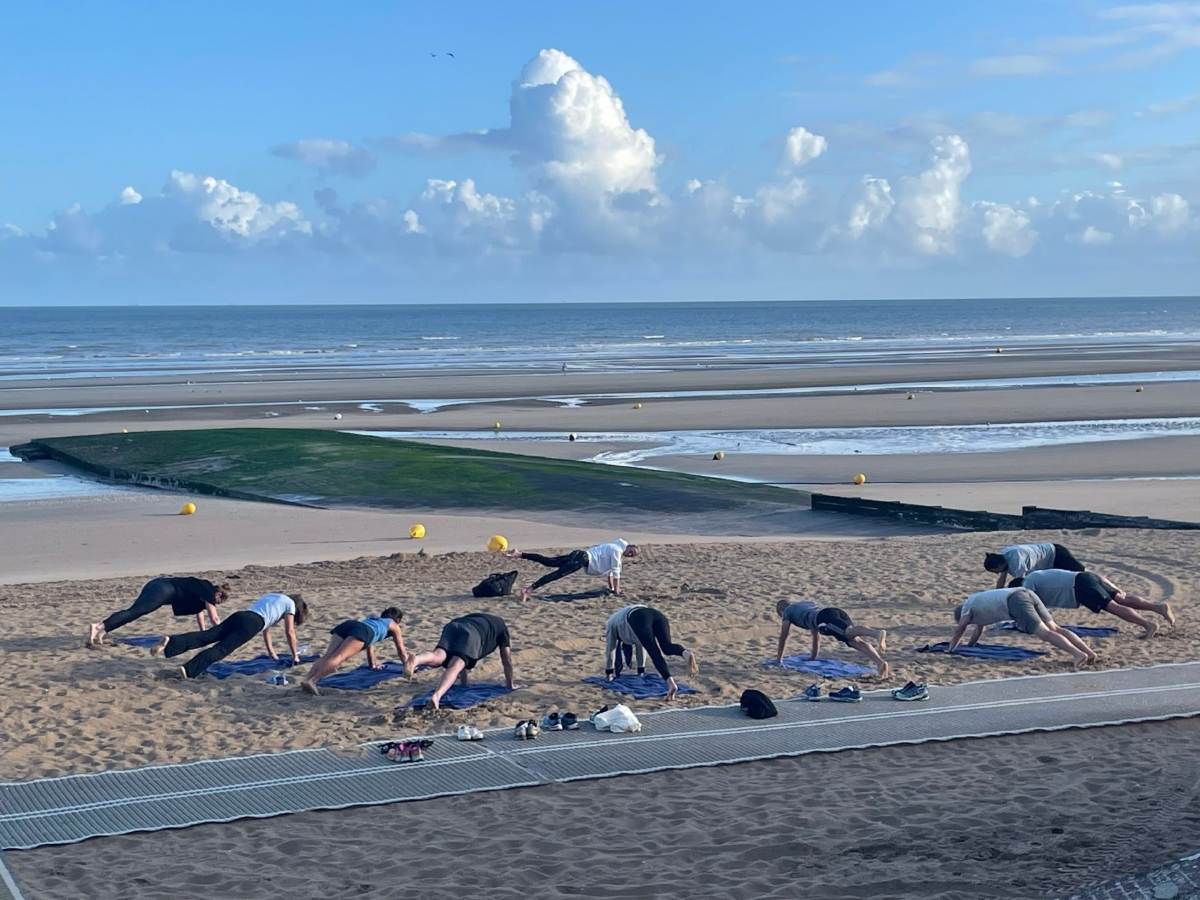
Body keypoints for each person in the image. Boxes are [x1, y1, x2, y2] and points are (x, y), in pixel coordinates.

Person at [152, 592, 309, 680]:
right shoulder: (290, 605)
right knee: (221, 649)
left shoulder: (274, 597)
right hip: (253, 624)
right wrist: (295, 656)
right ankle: (188, 669)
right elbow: (289, 632)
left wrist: (271, 653)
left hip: (242, 615)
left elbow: (266, 630)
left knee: (207, 635)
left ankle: (171, 641)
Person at [949, 587, 1095, 665]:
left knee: (1044, 633)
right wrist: (970, 645)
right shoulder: (978, 605)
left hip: (1015, 601)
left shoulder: (967, 607)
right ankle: (1089, 653)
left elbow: (960, 629)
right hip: (1025, 592)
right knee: (1055, 628)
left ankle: (1078, 654)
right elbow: (978, 629)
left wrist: (951, 649)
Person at [1011, 570, 1173, 638]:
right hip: (1085, 577)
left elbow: (1030, 605)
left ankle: (1148, 625)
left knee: (1114, 608)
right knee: (1122, 599)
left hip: (1079, 586)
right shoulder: (1036, 575)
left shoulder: (1027, 584)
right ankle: (1158, 607)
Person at [404, 612, 515, 710]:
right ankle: (437, 696)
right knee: (456, 665)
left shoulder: (480, 617)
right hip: (473, 632)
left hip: (455, 624)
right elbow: (507, 659)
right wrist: (510, 685)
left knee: (438, 655)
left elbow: (461, 651)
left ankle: (417, 659)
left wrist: (464, 683)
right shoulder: (502, 629)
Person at [88, 576, 230, 647]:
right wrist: (223, 635)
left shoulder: (202, 590)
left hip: (157, 584)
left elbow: (200, 614)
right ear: (218, 595)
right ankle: (99, 626)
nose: (215, 604)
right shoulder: (209, 592)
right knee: (134, 612)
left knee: (133, 612)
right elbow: (215, 619)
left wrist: (203, 633)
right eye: (217, 602)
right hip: (164, 590)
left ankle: (102, 632)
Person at [301, 607, 407, 696]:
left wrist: (372, 664)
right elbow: (401, 650)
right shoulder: (394, 625)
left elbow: (370, 645)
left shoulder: (375, 619)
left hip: (349, 624)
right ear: (398, 619)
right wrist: (407, 665)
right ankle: (313, 681)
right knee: (339, 657)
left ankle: (307, 678)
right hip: (363, 631)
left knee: (328, 656)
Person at [602, 605, 699, 701]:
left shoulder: (611, 623)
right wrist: (641, 671)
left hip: (637, 617)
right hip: (656, 614)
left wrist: (609, 673)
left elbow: (611, 648)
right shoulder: (623, 623)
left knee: (654, 652)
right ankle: (686, 654)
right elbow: (640, 645)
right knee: (667, 647)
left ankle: (671, 684)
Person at [774, 599, 890, 678]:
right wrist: (813, 657)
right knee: (854, 641)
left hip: (824, 618)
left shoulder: (788, 612)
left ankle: (876, 633)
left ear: (781, 611)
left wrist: (779, 659)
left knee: (848, 632)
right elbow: (816, 637)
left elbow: (783, 637)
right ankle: (880, 663)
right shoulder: (803, 606)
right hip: (833, 611)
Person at [508, 539, 639, 600]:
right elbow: (616, 573)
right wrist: (616, 590)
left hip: (579, 554)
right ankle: (528, 590)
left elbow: (611, 573)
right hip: (582, 559)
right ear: (628, 547)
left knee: (549, 561)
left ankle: (519, 554)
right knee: (556, 574)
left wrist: (612, 588)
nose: (630, 555)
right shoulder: (617, 551)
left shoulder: (616, 547)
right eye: (631, 552)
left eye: (633, 555)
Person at [984, 542, 1085, 588]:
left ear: (999, 565)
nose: (997, 573)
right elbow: (1002, 577)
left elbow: (1021, 584)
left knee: (1081, 573)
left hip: (1055, 553)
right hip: (1046, 562)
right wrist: (996, 594)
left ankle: (1100, 579)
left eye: (995, 570)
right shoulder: (1003, 556)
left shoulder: (1017, 564)